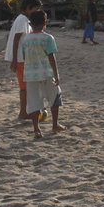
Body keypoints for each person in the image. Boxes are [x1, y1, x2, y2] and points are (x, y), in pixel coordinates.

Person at [17, 9, 64, 138]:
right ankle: (55, 125)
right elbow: (51, 57)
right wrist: (57, 74)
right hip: (47, 73)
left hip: (31, 75)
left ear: (30, 24)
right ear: (45, 23)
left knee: (34, 102)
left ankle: (37, 129)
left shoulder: (26, 39)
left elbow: (25, 56)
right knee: (55, 98)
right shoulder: (48, 38)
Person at [5, 0, 42, 121]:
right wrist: (15, 60)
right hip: (20, 59)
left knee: (25, 87)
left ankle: (24, 111)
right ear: (28, 8)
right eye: (35, 9)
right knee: (25, 87)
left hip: (22, 58)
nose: (36, 12)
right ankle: (23, 112)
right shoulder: (22, 20)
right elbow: (16, 40)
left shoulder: (24, 20)